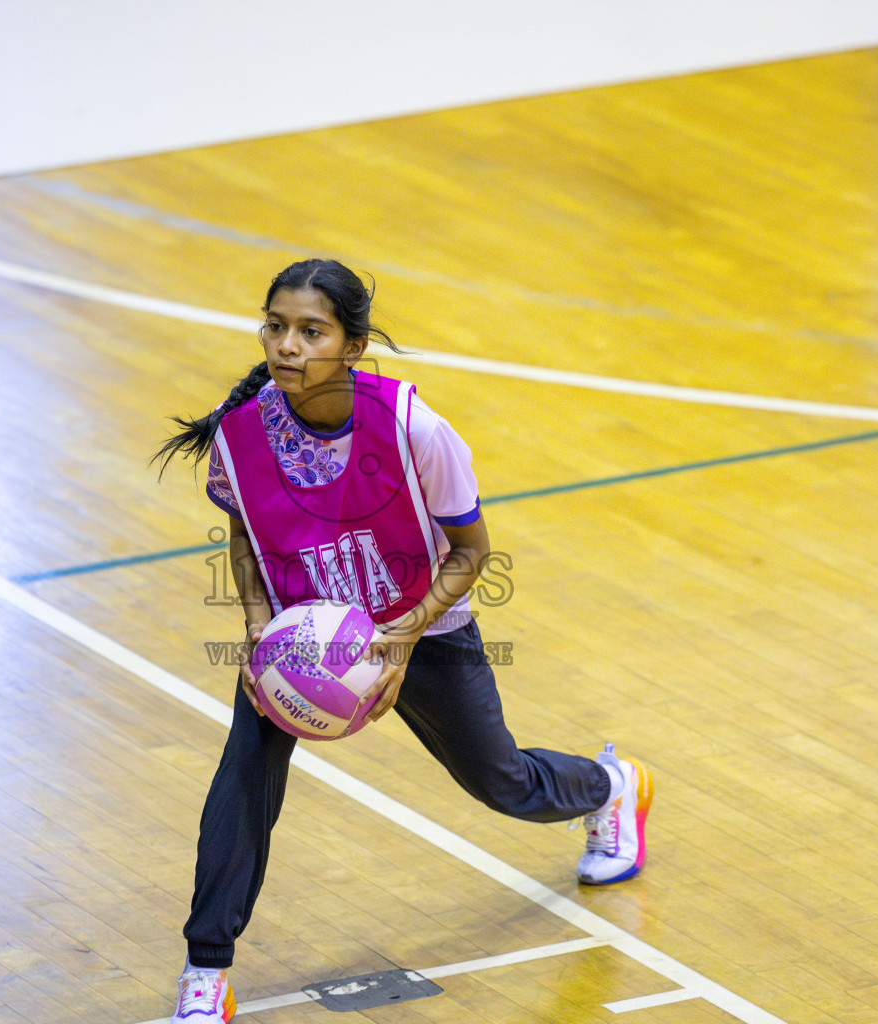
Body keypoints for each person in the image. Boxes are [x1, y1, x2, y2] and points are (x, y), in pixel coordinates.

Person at [152, 259, 652, 1023]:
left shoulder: (415, 426)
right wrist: (257, 627)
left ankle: (610, 787)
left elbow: (472, 553)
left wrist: (403, 636)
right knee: (242, 784)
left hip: (419, 620)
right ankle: (205, 973)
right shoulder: (240, 434)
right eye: (276, 326)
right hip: (302, 636)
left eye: (311, 331)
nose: (287, 345)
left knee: (500, 781)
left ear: (352, 346)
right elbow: (246, 538)